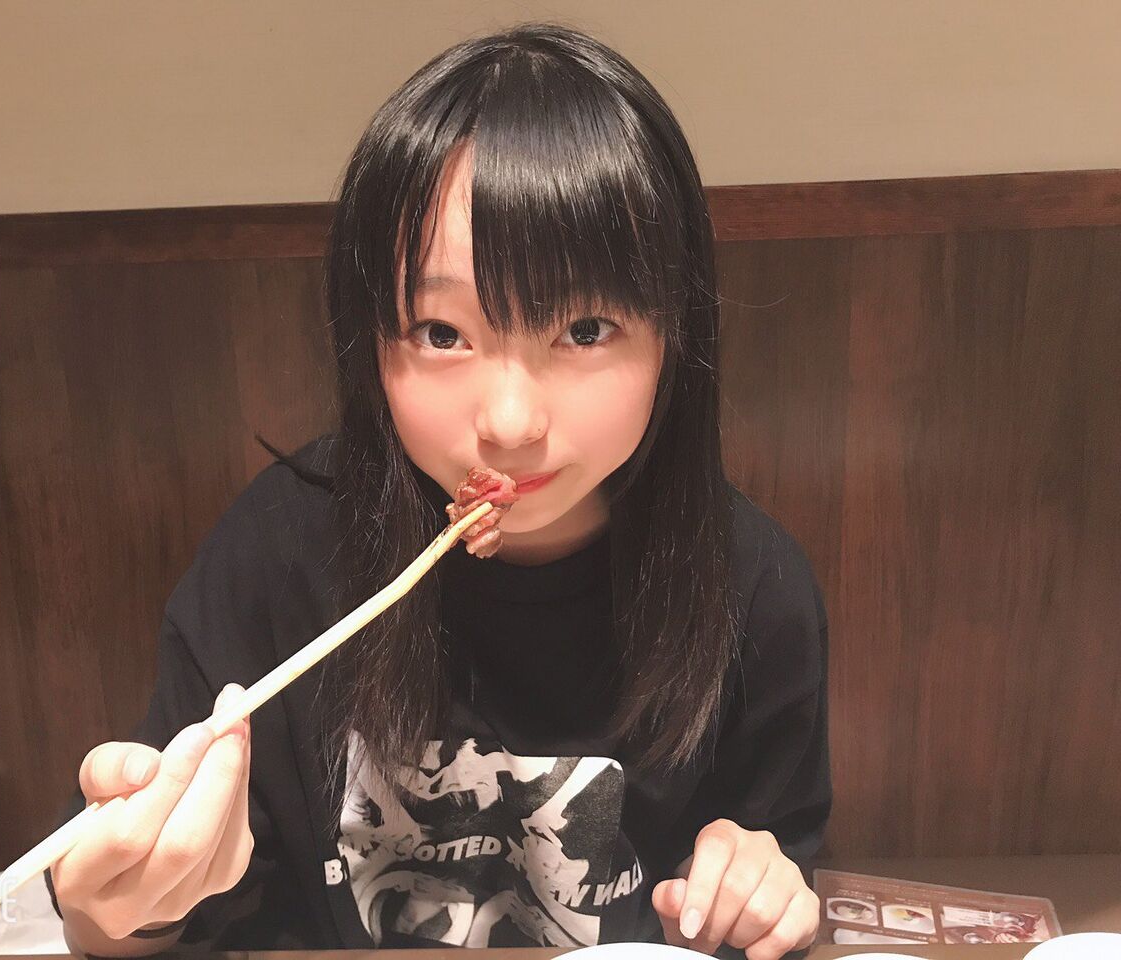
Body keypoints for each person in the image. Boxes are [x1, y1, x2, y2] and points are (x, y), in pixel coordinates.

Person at [44, 21, 830, 960]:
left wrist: (759, 890)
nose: (510, 422)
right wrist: (123, 910)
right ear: (369, 339)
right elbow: (159, 920)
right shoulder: (281, 555)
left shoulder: (750, 587)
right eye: (442, 333)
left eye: (584, 329)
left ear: (675, 335)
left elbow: (774, 875)